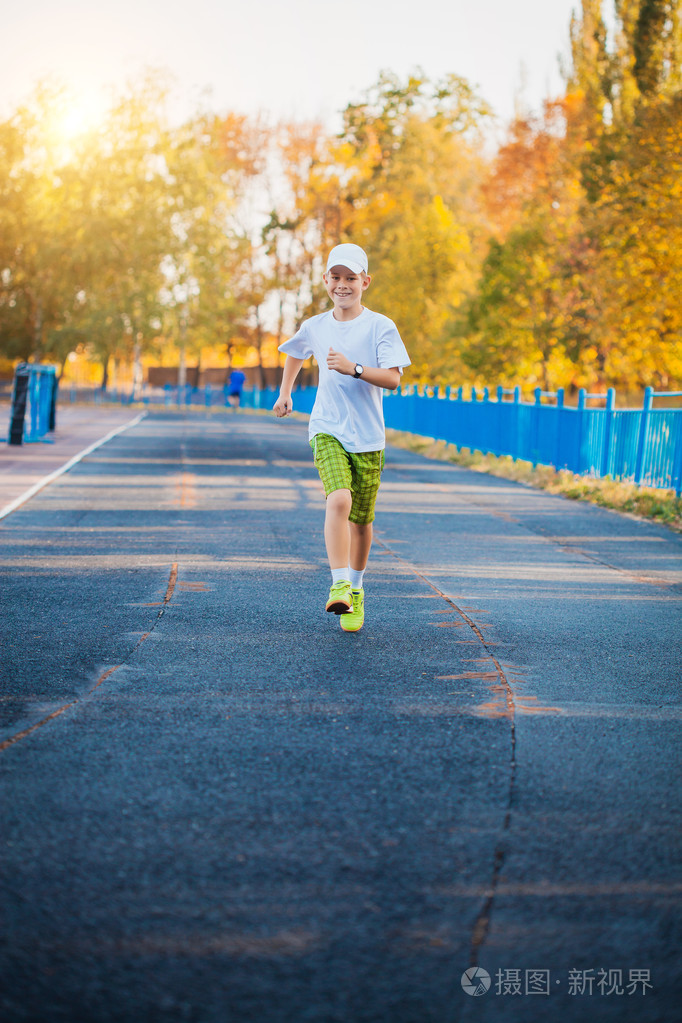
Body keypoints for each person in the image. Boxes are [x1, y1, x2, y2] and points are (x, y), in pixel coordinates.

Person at [273, 243, 410, 632]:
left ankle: (358, 589)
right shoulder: (316, 325)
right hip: (327, 428)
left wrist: (355, 368)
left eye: (351, 278)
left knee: (362, 523)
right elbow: (295, 352)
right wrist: (286, 392)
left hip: (368, 438)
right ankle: (340, 584)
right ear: (325, 281)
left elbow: (394, 379)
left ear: (365, 281)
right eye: (335, 277)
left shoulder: (380, 326)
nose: (342, 285)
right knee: (339, 499)